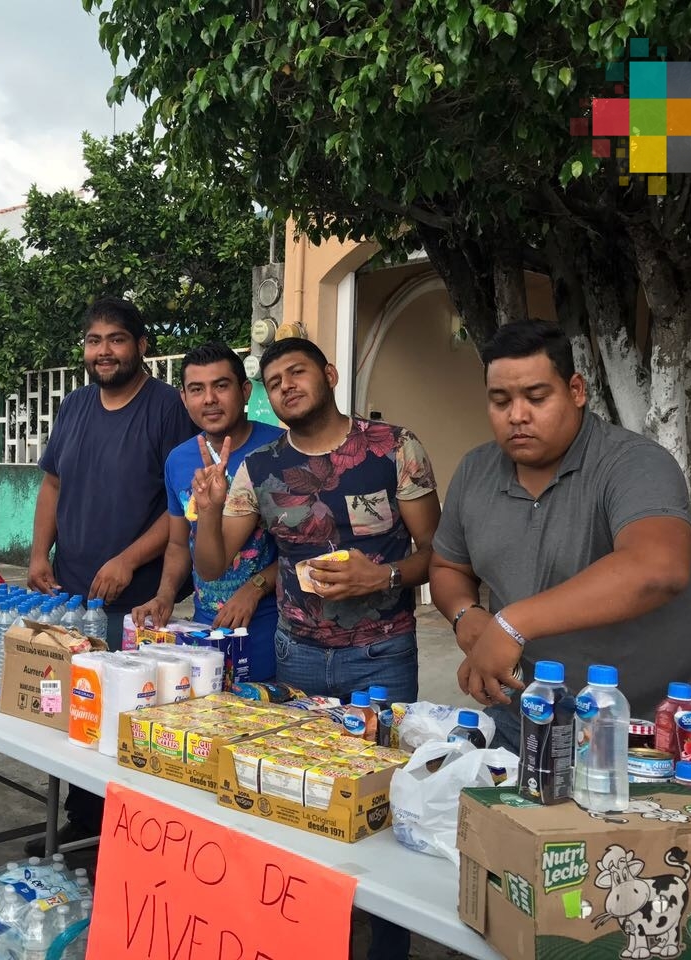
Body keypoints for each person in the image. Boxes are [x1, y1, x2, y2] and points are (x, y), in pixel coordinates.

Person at [190, 336, 440, 960]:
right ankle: (309, 936)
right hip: (297, 654)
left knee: (383, 804)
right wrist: (210, 511)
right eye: (274, 382)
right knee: (299, 796)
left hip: (382, 654)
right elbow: (215, 563)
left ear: (327, 375)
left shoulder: (393, 448)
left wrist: (378, 578)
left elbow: (440, 555)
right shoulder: (261, 468)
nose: (286, 387)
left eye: (296, 373)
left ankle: (386, 946)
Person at [428, 320, 691, 752]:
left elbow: (659, 568)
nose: (517, 415)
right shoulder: (475, 471)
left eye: (536, 397)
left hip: (647, 728)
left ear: (576, 391)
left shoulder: (634, 463)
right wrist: (465, 615)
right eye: (500, 400)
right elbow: (448, 565)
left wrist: (512, 624)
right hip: (523, 716)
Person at [26, 296, 197, 854]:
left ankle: (127, 840)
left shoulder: (168, 407)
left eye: (116, 339)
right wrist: (37, 554)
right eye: (94, 341)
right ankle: (82, 823)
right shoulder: (75, 405)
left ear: (141, 346)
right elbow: (52, 484)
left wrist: (129, 559)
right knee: (72, 713)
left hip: (139, 597)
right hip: (73, 593)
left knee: (125, 719)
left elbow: (183, 505)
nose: (104, 351)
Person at [131, 342, 283, 682]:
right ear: (184, 398)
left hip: (271, 629)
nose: (209, 399)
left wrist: (255, 587)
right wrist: (165, 595)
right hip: (205, 631)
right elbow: (177, 543)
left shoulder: (280, 450)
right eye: (197, 390)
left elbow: (305, 549)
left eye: (221, 386)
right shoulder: (179, 460)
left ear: (245, 391)